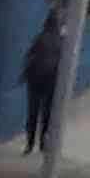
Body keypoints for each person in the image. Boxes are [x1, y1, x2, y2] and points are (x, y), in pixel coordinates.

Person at [24, 9, 63, 158]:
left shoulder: (39, 38)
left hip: (35, 79)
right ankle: (43, 143)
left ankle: (29, 144)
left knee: (33, 112)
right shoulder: (60, 41)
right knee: (47, 113)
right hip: (51, 81)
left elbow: (29, 57)